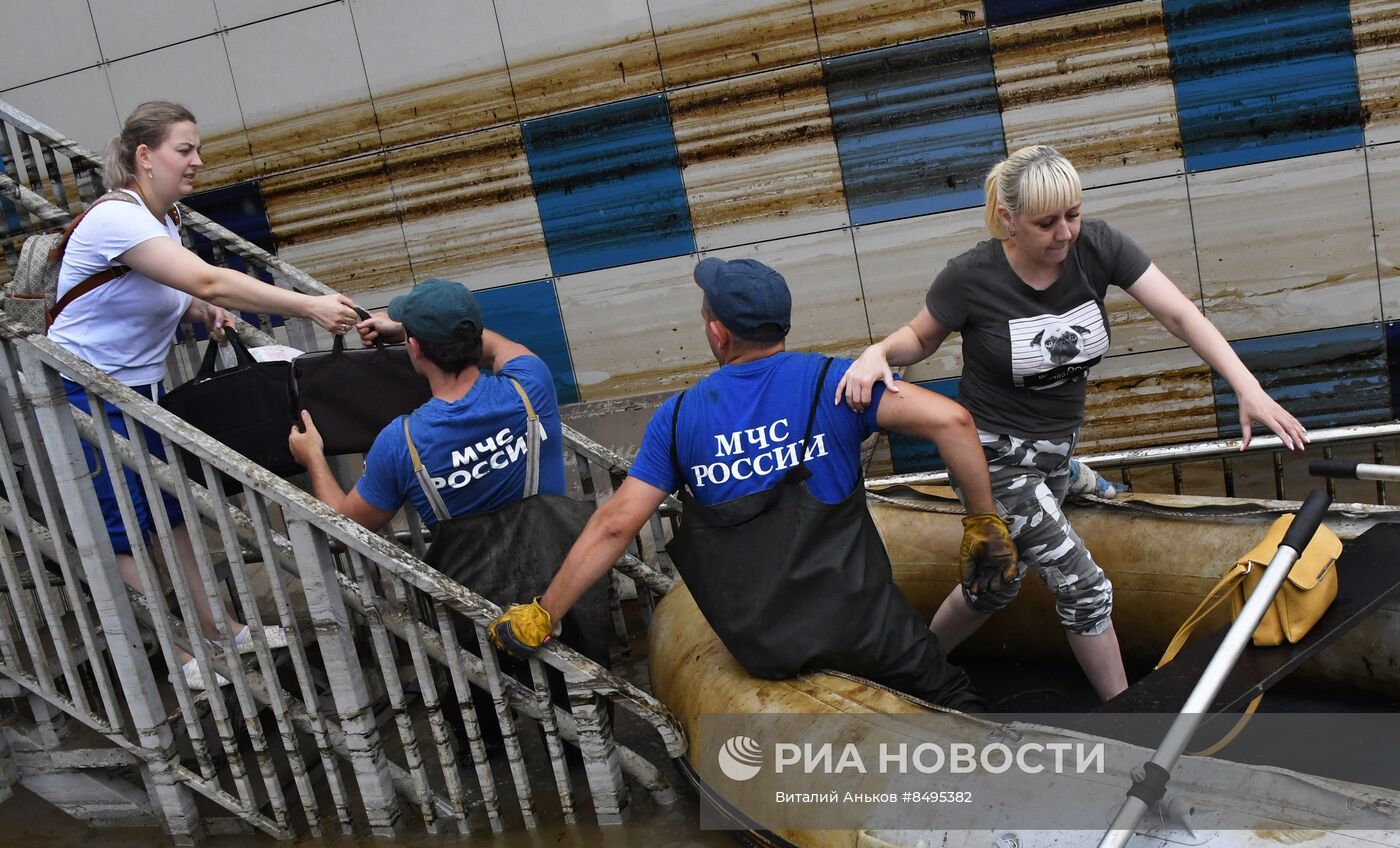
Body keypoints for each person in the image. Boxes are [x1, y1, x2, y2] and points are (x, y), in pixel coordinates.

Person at [836, 145, 1309, 701]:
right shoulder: (970, 277)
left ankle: (909, 673)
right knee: (1085, 591)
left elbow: (1179, 313)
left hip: (1056, 456)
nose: (1065, 233)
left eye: (1072, 214)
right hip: (996, 459)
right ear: (1008, 221)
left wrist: (1247, 387)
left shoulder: (1098, 247)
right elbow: (920, 338)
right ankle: (1127, 723)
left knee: (996, 585)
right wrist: (878, 352)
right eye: (1046, 222)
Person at [490, 258, 1017, 712]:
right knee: (954, 700)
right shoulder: (834, 383)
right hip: (867, 629)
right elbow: (954, 422)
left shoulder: (678, 420)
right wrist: (983, 524)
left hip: (768, 650)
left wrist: (543, 612)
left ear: (718, 333)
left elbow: (613, 526)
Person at [52, 100, 360, 690]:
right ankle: (185, 653)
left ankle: (223, 627)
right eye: (183, 149)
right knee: (124, 529)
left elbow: (175, 285)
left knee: (171, 515)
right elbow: (207, 275)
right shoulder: (118, 217)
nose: (197, 161)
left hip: (138, 389)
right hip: (84, 391)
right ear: (145, 156)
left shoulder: (160, 219)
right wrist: (308, 304)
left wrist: (198, 307)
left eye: (197, 148)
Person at [289, 278, 612, 736]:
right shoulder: (530, 383)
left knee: (489, 728)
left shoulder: (401, 443)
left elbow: (344, 529)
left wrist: (314, 459)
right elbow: (497, 346)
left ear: (416, 350)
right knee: (585, 720)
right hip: (563, 595)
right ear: (473, 338)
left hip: (474, 617)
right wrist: (412, 332)